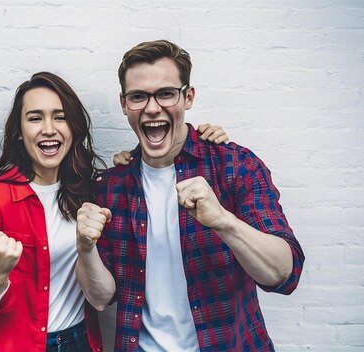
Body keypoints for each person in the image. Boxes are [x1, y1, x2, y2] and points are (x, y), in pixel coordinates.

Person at [0, 72, 228, 352]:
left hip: (80, 341)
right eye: (35, 118)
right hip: (18, 345)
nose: (48, 129)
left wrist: (204, 140)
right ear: (19, 131)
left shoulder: (90, 191)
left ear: (74, 127)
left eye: (60, 116)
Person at [76, 40, 305, 351]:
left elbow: (285, 275)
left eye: (166, 93)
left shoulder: (234, 165)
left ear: (189, 97)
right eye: (139, 96)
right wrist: (85, 247)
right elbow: (102, 298)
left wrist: (225, 221)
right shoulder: (112, 186)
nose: (152, 107)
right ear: (124, 104)